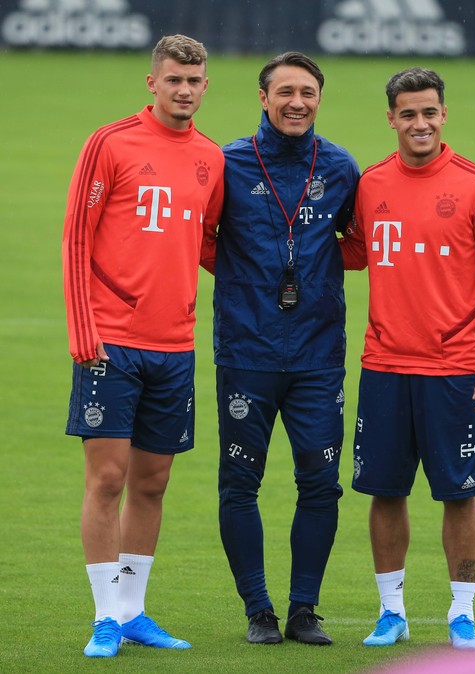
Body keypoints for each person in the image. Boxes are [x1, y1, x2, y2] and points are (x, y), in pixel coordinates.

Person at [342, 67, 475, 650]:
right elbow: (353, 254)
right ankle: (391, 612)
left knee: (460, 493)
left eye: (430, 112)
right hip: (385, 366)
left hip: (455, 370)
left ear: (444, 115)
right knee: (385, 491)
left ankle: (461, 613)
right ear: (390, 118)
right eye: (408, 113)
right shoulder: (369, 185)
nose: (420, 123)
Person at [62, 34, 224, 657]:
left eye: (195, 80)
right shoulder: (111, 143)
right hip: (110, 342)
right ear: (151, 83)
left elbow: (209, 244)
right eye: (173, 79)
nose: (184, 89)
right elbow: (78, 236)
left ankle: (132, 611)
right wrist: (84, 330)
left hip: (174, 346)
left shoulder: (212, 158)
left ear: (206, 86)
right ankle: (104, 615)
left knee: (152, 484)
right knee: (107, 478)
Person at [200, 52, 359, 645]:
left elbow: (360, 243)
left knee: (320, 483)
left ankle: (303, 610)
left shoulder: (341, 167)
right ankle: (258, 611)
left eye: (309, 93)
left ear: (320, 100)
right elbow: (201, 237)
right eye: (286, 91)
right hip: (247, 351)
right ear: (263, 98)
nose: (298, 102)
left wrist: (308, 270)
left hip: (319, 355)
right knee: (240, 482)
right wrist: (247, 278)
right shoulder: (227, 163)